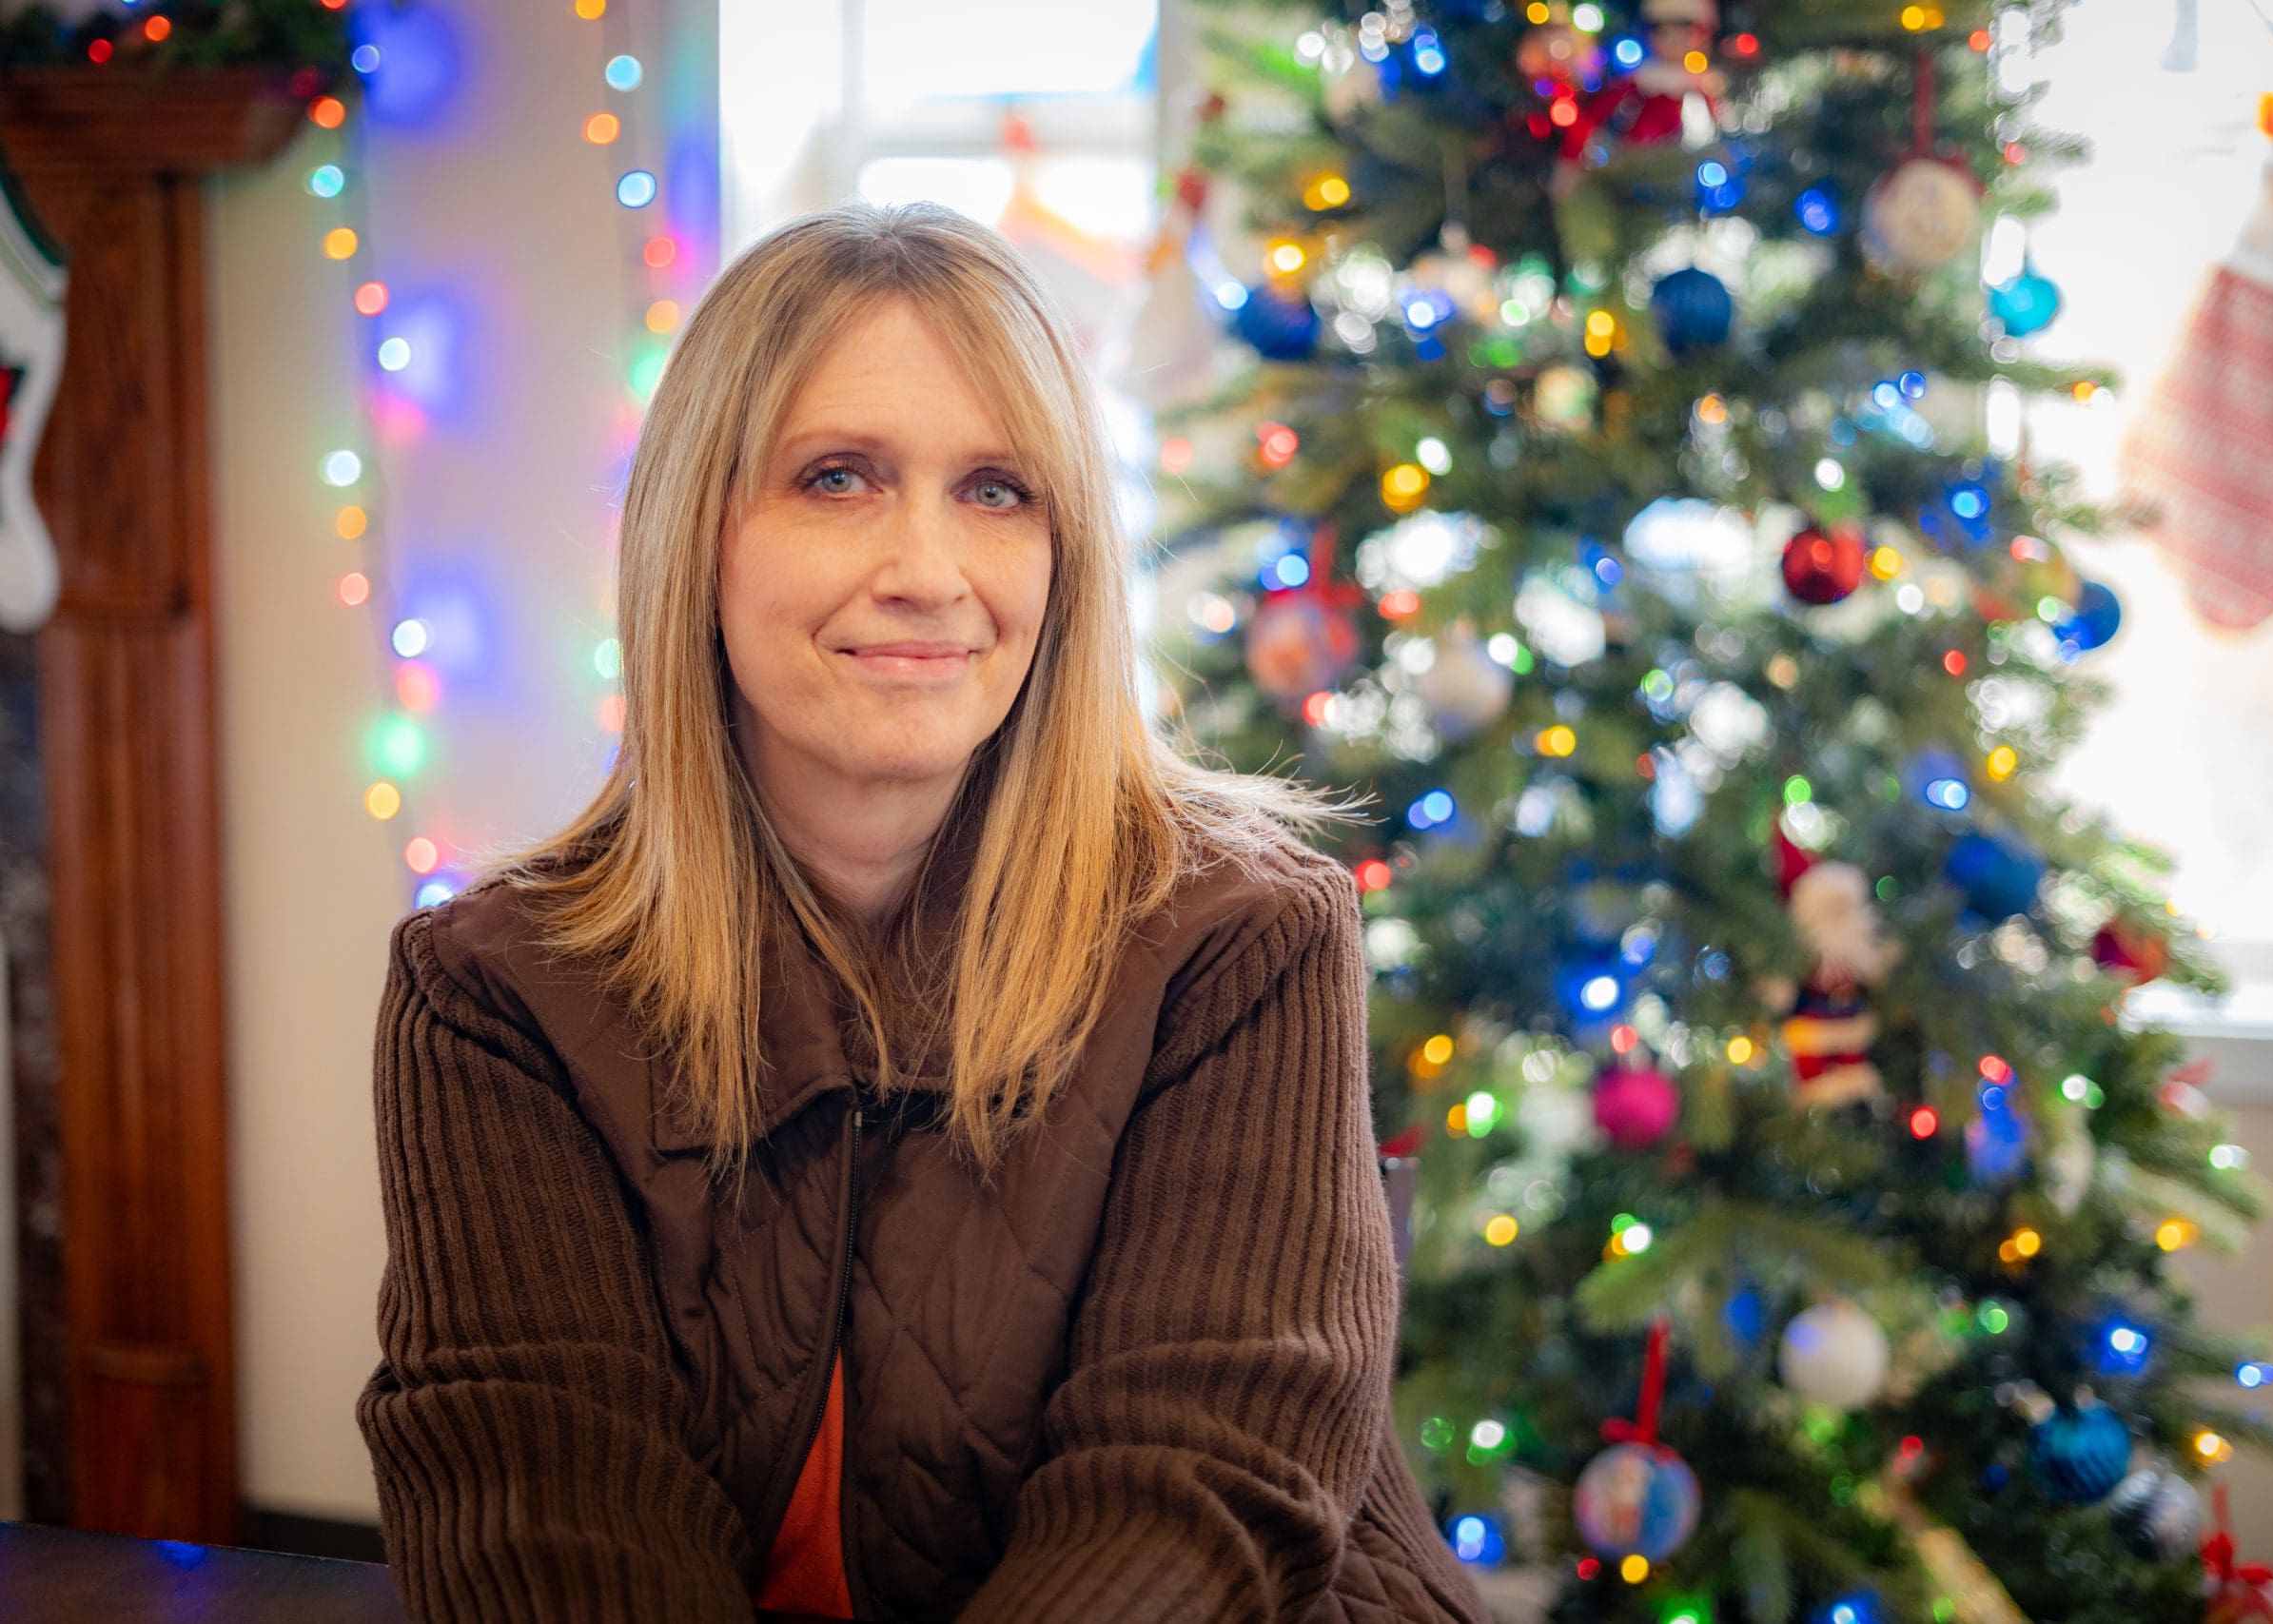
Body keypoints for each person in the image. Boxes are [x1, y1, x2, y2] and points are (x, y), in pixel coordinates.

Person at [357, 200, 1493, 1624]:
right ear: (696, 535)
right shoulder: (493, 994)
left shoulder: (1246, 937)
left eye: (998, 490)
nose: (926, 571)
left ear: (1064, 556)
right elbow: (541, 1513)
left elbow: (1192, 1496)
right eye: (838, 478)